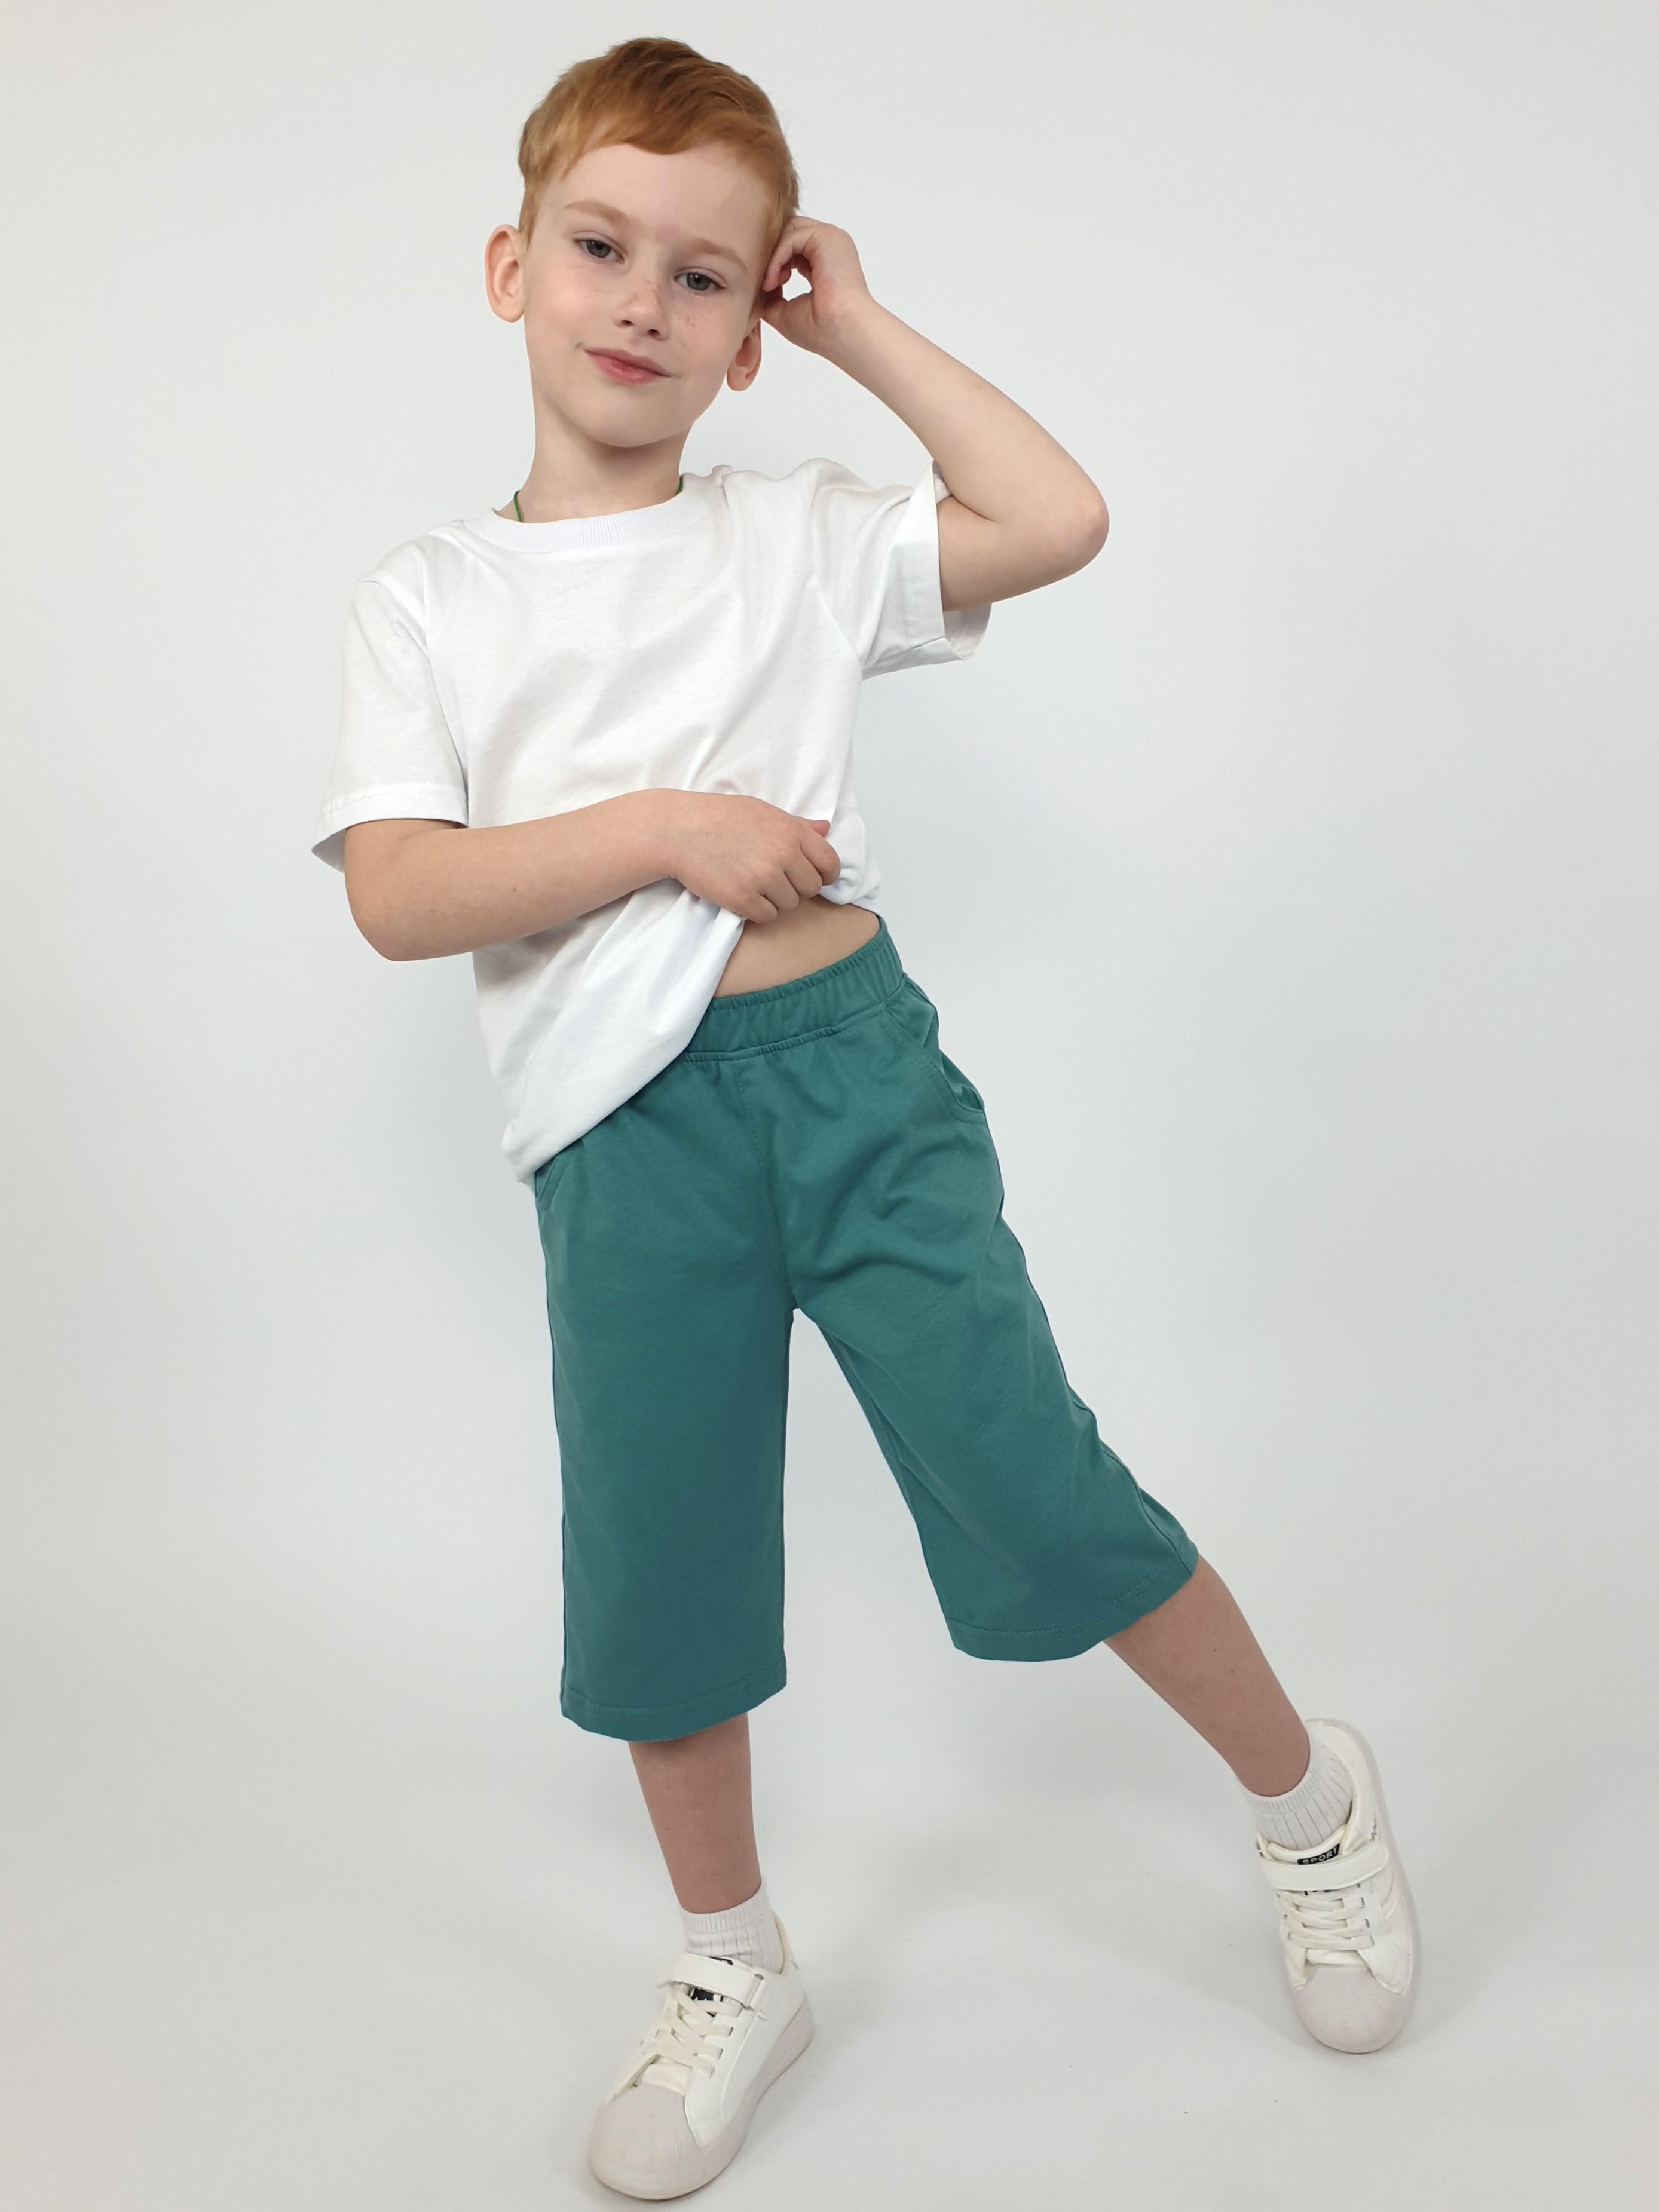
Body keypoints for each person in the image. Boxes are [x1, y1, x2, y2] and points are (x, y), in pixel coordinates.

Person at [310, 34, 1420, 2202]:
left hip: (851, 1085)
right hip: (621, 1132)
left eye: (705, 279)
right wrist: (667, 828)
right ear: (510, 268)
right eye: (600, 248)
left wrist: (865, 325)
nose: (643, 302)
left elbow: (1058, 520)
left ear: (752, 331)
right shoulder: (429, 598)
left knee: (1032, 1478)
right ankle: (734, 1962)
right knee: (660, 1560)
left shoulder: (794, 538)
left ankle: (1313, 1805)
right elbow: (398, 893)